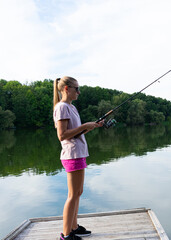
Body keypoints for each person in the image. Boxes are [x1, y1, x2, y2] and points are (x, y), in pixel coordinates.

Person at [53, 76, 103, 240]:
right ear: (67, 89)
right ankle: (66, 235)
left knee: (78, 192)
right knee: (73, 195)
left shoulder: (71, 108)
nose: (79, 92)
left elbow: (76, 133)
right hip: (72, 155)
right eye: (76, 89)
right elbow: (62, 135)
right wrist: (83, 126)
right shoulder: (62, 107)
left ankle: (73, 227)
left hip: (79, 153)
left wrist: (92, 126)